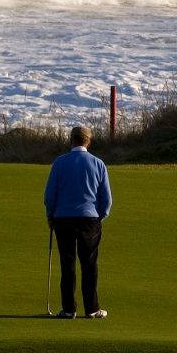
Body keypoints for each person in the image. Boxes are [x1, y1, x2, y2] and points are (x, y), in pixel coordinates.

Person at [44, 126, 112, 319]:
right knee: (89, 263)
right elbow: (106, 199)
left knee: (67, 263)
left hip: (63, 219)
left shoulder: (59, 163)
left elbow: (50, 195)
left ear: (71, 140)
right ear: (88, 142)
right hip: (90, 219)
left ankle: (68, 309)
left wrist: (51, 215)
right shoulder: (98, 164)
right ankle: (91, 309)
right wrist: (100, 216)